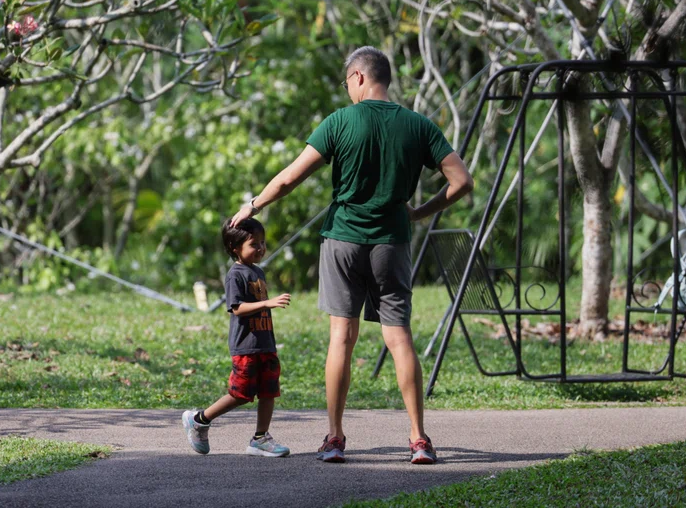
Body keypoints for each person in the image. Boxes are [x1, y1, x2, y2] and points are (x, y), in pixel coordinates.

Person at [229, 46, 473, 465]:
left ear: (358, 77)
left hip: (342, 241)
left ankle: (336, 438)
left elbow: (289, 179)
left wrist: (254, 205)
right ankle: (418, 439)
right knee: (399, 339)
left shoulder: (340, 122)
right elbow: (462, 181)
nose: (347, 90)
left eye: (347, 83)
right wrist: (418, 212)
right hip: (391, 243)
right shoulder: (417, 125)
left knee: (342, 337)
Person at [181, 218, 292, 457]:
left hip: (265, 343)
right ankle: (200, 419)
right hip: (245, 346)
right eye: (254, 244)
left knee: (269, 390)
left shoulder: (257, 271)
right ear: (235, 248)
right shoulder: (235, 275)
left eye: (263, 243)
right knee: (241, 394)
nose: (261, 248)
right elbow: (236, 308)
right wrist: (267, 303)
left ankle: (260, 438)